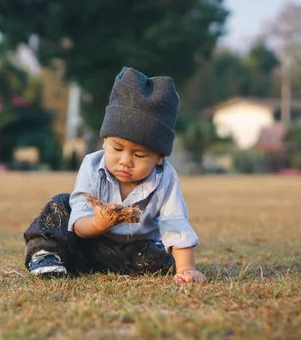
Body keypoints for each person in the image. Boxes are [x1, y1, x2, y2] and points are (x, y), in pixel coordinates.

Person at [23, 67, 205, 284]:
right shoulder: (92, 166)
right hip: (85, 239)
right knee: (61, 203)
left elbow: (174, 223)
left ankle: (82, 264)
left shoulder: (165, 178)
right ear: (105, 141)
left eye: (138, 154)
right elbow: (79, 221)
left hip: (128, 251)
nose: (125, 161)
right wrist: (98, 224)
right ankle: (46, 256)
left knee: (162, 259)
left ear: (159, 157)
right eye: (117, 149)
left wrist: (185, 269)